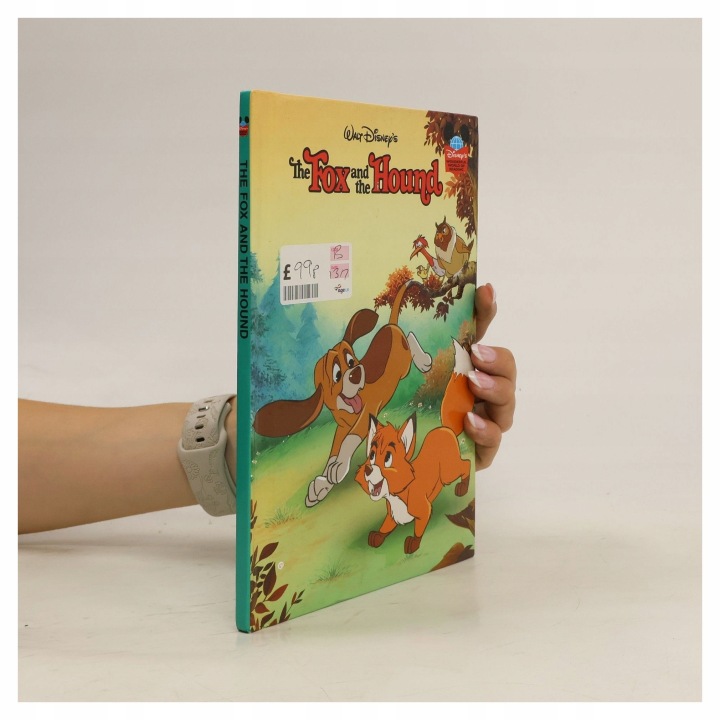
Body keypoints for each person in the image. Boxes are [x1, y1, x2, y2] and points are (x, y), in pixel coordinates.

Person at [18, 284, 516, 534]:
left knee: (397, 342)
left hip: (396, 357)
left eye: (350, 364)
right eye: (340, 372)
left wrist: (450, 382)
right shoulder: (339, 407)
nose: (351, 374)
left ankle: (415, 347)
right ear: (324, 389)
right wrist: (242, 452)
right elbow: (349, 431)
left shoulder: (366, 379)